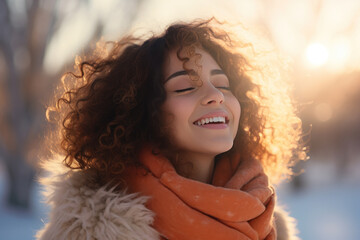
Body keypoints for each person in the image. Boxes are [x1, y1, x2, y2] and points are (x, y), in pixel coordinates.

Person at [37, 18, 304, 240]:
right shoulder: (89, 230)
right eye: (185, 87)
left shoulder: (268, 224)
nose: (216, 96)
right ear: (143, 113)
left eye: (223, 85)